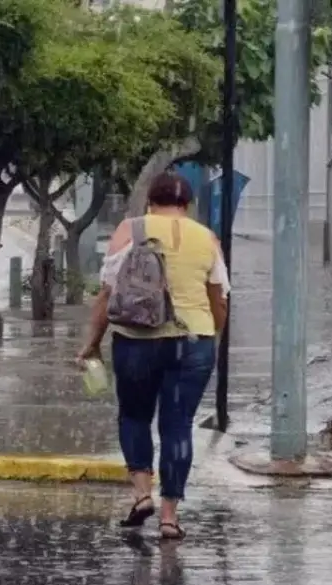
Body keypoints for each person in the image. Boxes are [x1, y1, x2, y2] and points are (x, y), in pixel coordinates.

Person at [78, 172, 229, 539]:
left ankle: (142, 495)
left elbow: (107, 293)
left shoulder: (130, 230)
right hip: (193, 341)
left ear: (150, 200)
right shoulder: (206, 238)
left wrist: (92, 342)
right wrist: (212, 336)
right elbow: (219, 298)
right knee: (177, 426)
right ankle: (169, 516)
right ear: (188, 205)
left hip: (136, 339)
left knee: (133, 416)